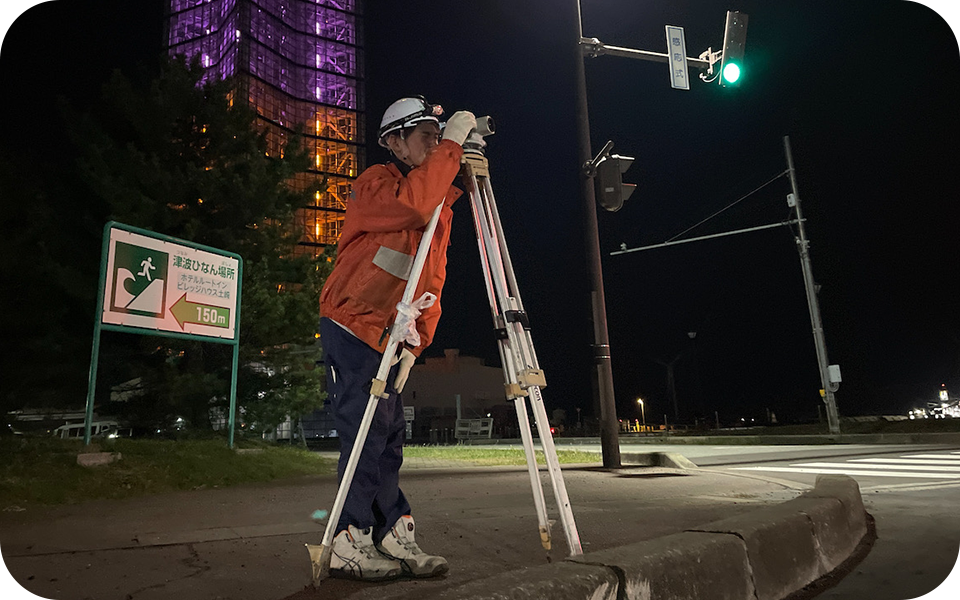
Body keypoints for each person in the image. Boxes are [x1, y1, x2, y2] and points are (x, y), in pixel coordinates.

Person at [318, 96, 476, 581]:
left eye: (438, 135)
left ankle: (391, 533)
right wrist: (452, 146)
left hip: (390, 335)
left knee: (389, 437)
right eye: (426, 135)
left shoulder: (439, 205)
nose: (435, 143)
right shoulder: (376, 184)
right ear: (394, 142)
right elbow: (414, 203)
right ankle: (349, 538)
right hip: (353, 322)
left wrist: (418, 344)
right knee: (364, 432)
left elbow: (431, 281)